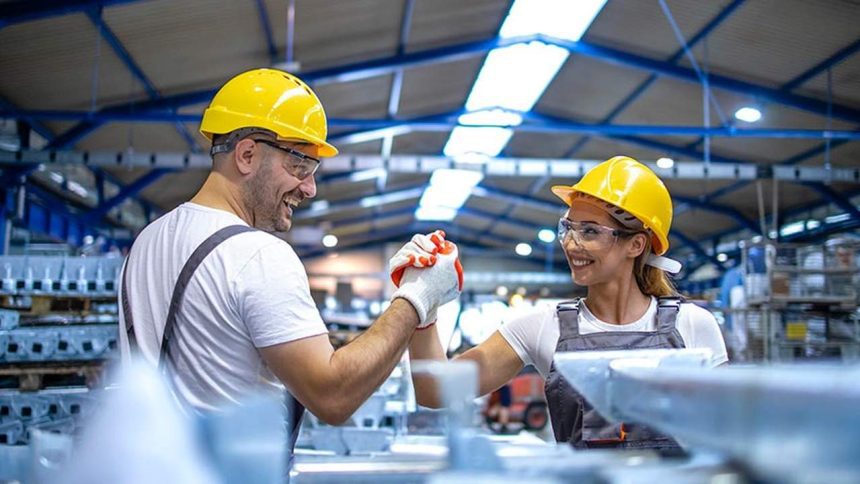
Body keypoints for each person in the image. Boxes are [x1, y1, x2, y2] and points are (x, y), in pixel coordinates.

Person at [117, 68, 462, 455]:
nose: (309, 188)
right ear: (247, 155)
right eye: (299, 167)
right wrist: (416, 296)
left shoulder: (146, 243)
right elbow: (334, 395)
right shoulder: (256, 255)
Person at [405, 156, 728, 453]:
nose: (572, 244)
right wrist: (423, 300)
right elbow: (434, 389)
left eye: (590, 231)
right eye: (568, 228)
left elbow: (727, 432)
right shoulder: (542, 327)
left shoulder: (692, 325)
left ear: (636, 244)